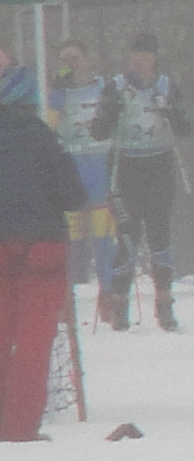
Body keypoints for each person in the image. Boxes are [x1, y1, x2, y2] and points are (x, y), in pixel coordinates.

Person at [1, 68, 76, 437]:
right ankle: (20, 424)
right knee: (33, 340)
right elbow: (74, 194)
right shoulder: (44, 139)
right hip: (42, 246)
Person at [97, 36, 188, 330]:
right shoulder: (116, 87)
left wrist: (171, 113)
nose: (140, 60)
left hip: (159, 166)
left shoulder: (166, 86)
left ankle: (164, 305)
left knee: (160, 235)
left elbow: (186, 128)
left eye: (145, 55)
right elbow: (99, 129)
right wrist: (109, 115)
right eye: (135, 54)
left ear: (154, 58)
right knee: (128, 235)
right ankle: (120, 304)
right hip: (126, 167)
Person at [42, 42, 112, 321]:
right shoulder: (58, 93)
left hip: (99, 170)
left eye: (74, 58)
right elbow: (49, 126)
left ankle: (107, 295)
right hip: (70, 172)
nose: (70, 64)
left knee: (103, 238)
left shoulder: (104, 88)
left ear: (87, 59)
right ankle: (64, 298)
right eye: (64, 60)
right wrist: (55, 98)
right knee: (70, 239)